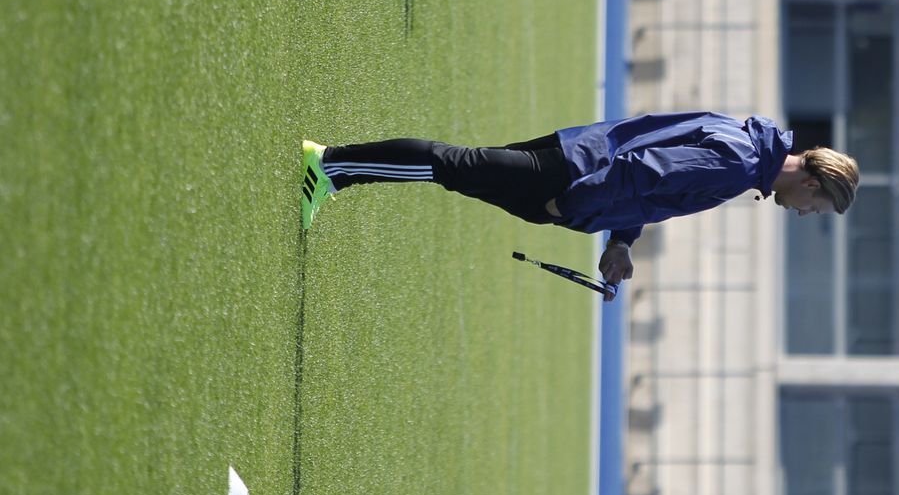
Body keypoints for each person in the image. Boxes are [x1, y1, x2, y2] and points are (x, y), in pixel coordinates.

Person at [298, 111, 859, 291]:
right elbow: (643, 171)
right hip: (574, 176)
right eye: (816, 209)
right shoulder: (739, 164)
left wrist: (620, 241)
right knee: (455, 165)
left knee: (456, 168)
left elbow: (653, 183)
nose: (806, 215)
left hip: (579, 154)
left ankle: (336, 170)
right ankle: (330, 165)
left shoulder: (747, 146)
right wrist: (570, 206)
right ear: (811, 184)